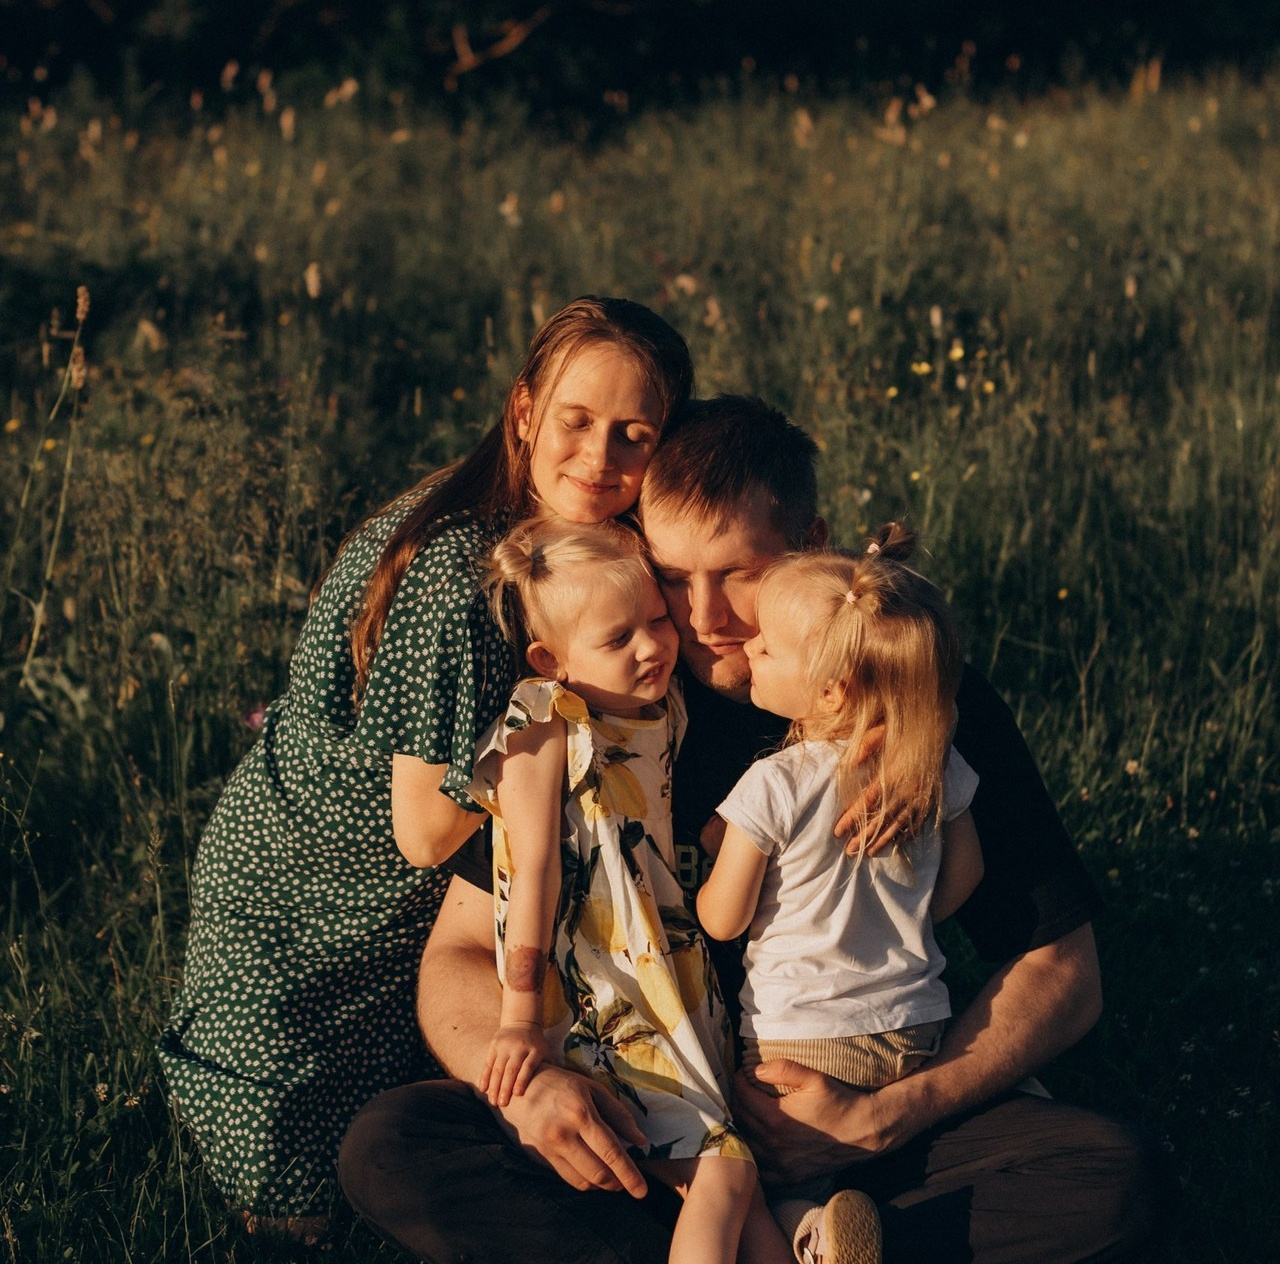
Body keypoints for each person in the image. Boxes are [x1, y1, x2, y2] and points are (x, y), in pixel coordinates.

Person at [339, 395, 1165, 1263]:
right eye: (672, 578)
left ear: (811, 544)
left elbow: (1063, 971)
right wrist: (531, 1087)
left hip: (854, 1109)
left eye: (738, 573)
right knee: (395, 1146)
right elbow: (460, 953)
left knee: (1115, 1175)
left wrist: (885, 1118)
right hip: (638, 1111)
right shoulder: (606, 695)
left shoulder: (910, 698)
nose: (703, 618)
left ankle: (805, 1235)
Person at [156, 295, 694, 1232]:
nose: (599, 457)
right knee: (303, 1195)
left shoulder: (559, 539)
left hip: (417, 909)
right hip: (319, 902)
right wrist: (551, 740)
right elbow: (423, 833)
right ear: (524, 412)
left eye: (633, 436)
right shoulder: (463, 577)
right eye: (575, 421)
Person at [469, 516, 791, 1264]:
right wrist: (519, 1016)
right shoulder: (544, 718)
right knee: (724, 1167)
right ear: (551, 659)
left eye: (655, 620)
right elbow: (533, 867)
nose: (652, 646)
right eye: (619, 639)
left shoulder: (662, 707)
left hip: (668, 967)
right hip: (597, 987)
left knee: (734, 1176)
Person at [696, 527, 985, 1264]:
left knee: (755, 1176)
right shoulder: (933, 763)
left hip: (802, 1033)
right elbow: (964, 878)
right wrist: (906, 915)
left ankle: (814, 1232)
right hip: (914, 1027)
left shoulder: (774, 781)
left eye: (765, 647)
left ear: (830, 690)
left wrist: (715, 869)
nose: (748, 649)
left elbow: (723, 920)